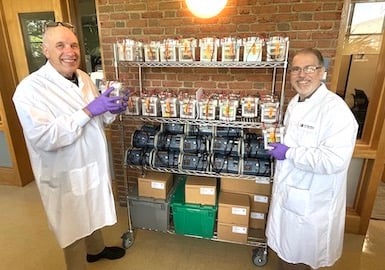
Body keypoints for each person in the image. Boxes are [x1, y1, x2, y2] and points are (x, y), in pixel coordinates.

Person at [12, 22, 128, 270]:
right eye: (60, 45)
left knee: (92, 209)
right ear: (45, 50)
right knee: (72, 226)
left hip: (90, 162)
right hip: (63, 170)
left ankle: (96, 250)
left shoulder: (83, 77)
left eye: (74, 45)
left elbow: (97, 118)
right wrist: (88, 110)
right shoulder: (29, 90)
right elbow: (45, 137)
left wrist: (111, 110)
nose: (70, 51)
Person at [266, 48, 358, 270]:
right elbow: (293, 139)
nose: (302, 75)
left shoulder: (336, 110)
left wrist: (288, 152)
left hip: (312, 202)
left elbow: (334, 160)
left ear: (322, 72)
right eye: (296, 69)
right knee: (285, 253)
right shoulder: (295, 103)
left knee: (302, 259)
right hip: (288, 193)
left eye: (309, 68)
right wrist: (275, 136)